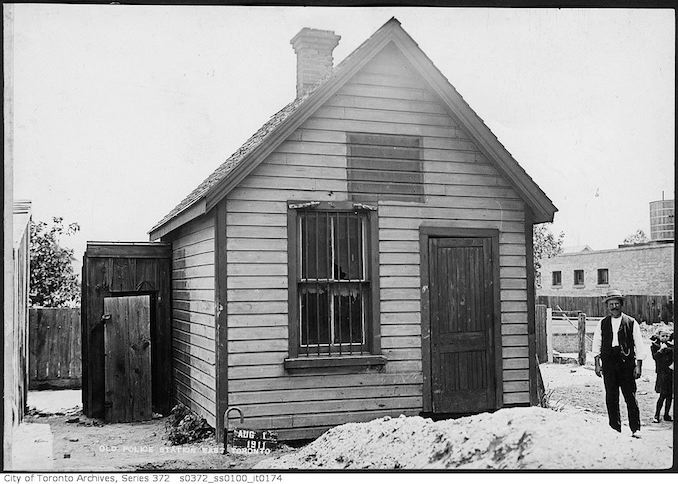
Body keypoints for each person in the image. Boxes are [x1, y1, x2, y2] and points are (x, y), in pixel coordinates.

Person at [593, 289, 646, 437]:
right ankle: (614, 428)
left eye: (617, 303)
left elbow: (639, 345)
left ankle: (635, 429)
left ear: (621, 305)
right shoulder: (602, 323)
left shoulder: (631, 322)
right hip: (609, 363)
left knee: (630, 396)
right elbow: (596, 344)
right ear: (607, 306)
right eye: (611, 304)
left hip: (626, 363)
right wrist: (597, 364)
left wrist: (638, 365)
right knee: (611, 396)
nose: (614, 306)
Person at [650, 325, 674, 423]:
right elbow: (655, 357)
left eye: (667, 336)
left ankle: (667, 414)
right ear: (659, 336)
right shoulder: (655, 346)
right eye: (663, 336)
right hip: (661, 373)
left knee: (669, 395)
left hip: (670, 372)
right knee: (663, 394)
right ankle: (656, 414)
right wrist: (661, 350)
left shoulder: (671, 346)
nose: (665, 338)